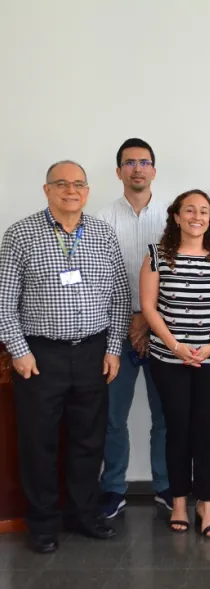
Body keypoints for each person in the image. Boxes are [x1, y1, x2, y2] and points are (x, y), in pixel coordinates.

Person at [0, 160, 129, 553]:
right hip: (41, 357)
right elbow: (4, 302)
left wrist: (113, 348)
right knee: (38, 442)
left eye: (78, 184)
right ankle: (41, 522)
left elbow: (120, 297)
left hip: (93, 352)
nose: (71, 191)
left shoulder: (103, 234)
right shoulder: (20, 234)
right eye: (62, 184)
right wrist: (19, 351)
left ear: (87, 192)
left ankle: (82, 514)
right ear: (47, 190)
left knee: (88, 440)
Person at [140, 190, 210, 537]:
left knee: (208, 432)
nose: (197, 217)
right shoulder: (157, 256)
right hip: (169, 359)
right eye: (190, 211)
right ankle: (180, 503)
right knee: (178, 430)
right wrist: (175, 346)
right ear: (177, 217)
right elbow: (149, 306)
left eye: (204, 212)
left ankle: (206, 505)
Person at [96, 138, 171, 519]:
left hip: (164, 330)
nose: (137, 169)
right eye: (129, 163)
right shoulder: (101, 219)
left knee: (166, 416)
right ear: (118, 171)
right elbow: (100, 278)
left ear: (154, 170)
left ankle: (166, 485)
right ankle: (113, 488)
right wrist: (130, 321)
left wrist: (147, 318)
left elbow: (177, 273)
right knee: (113, 418)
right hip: (116, 332)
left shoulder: (173, 217)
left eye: (144, 162)